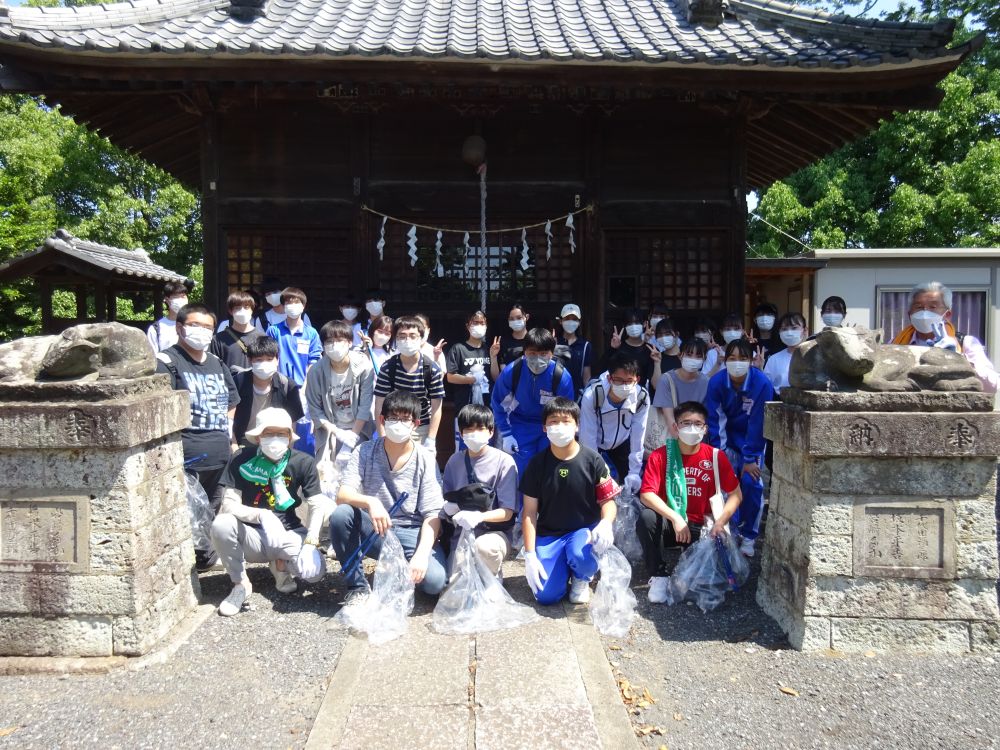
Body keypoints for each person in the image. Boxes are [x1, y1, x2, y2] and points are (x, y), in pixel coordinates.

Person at [330, 390, 447, 601]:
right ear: (382, 420)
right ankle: (357, 588)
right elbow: (343, 494)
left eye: (405, 419)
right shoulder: (364, 451)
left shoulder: (426, 459)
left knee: (434, 583)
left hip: (413, 532)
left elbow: (433, 514)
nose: (398, 424)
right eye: (393, 418)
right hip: (377, 529)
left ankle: (401, 567)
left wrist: (421, 555)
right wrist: (370, 501)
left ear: (415, 423)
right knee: (341, 514)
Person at [211, 407, 328, 615]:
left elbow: (317, 504)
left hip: (289, 532)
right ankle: (240, 584)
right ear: (258, 438)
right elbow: (228, 504)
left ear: (290, 437)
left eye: (281, 433)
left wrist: (311, 542)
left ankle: (280, 565)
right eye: (268, 433)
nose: (275, 439)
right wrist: (261, 515)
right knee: (221, 524)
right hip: (251, 536)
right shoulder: (241, 459)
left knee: (315, 573)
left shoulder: (303, 462)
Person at [156, 303, 239, 569]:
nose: (201, 332)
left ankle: (205, 558)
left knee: (212, 509)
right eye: (195, 325)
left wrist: (229, 434)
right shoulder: (166, 362)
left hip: (219, 451)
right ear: (180, 327)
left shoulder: (217, 363)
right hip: (187, 452)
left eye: (208, 327)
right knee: (186, 512)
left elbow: (232, 399)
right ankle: (185, 565)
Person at [638, 401, 742, 603]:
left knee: (700, 583)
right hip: (671, 524)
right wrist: (676, 517)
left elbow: (736, 494)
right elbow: (646, 495)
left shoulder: (715, 456)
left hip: (702, 526)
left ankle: (688, 566)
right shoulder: (661, 456)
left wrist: (720, 523)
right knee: (646, 517)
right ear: (675, 427)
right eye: (685, 423)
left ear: (705, 428)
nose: (691, 428)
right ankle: (659, 575)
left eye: (697, 423)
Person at [519, 398, 620, 605]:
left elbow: (608, 502)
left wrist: (606, 523)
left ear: (577, 425)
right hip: (550, 535)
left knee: (580, 555)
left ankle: (581, 578)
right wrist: (530, 554)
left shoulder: (593, 460)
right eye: (553, 421)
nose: (559, 426)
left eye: (566, 421)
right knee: (545, 596)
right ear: (544, 428)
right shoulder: (537, 464)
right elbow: (529, 512)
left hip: (582, 533)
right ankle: (561, 567)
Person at [705, 337, 774, 557]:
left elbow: (758, 422)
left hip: (751, 443)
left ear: (752, 360)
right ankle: (729, 531)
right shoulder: (716, 383)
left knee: (751, 484)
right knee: (725, 487)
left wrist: (750, 458)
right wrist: (720, 454)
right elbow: (715, 420)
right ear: (725, 360)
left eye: (743, 358)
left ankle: (749, 536)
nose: (737, 363)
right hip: (726, 443)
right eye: (732, 358)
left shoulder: (762, 384)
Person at [439, 404, 518, 576]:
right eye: (469, 429)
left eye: (480, 428)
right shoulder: (454, 461)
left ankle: (492, 573)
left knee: (485, 549)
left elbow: (507, 512)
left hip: (494, 534)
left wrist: (479, 516)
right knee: (454, 585)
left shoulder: (504, 462)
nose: (474, 433)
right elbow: (446, 503)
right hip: (460, 536)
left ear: (491, 432)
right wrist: (448, 509)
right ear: (460, 433)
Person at [491, 327, 576, 477]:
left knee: (550, 470)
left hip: (551, 427)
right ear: (524, 352)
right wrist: (506, 433)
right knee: (521, 473)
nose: (538, 358)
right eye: (532, 353)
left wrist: (566, 434)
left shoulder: (561, 377)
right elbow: (498, 403)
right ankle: (522, 501)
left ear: (552, 353)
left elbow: (568, 412)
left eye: (544, 354)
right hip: (520, 425)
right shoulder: (512, 372)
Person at [890, 281, 998, 393]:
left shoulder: (966, 343)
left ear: (947, 315)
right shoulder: (894, 343)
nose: (925, 312)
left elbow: (993, 385)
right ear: (909, 314)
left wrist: (959, 359)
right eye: (919, 307)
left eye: (932, 307)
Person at [578, 353, 649, 497]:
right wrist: (598, 473)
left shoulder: (642, 397)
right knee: (597, 488)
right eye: (619, 380)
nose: (624, 385)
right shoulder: (592, 396)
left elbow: (638, 435)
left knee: (629, 489)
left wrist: (634, 472)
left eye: (629, 381)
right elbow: (588, 437)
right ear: (610, 378)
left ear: (637, 380)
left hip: (623, 443)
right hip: (597, 445)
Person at [305, 320, 375, 464]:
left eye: (339, 340)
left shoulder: (364, 367)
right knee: (327, 476)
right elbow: (315, 408)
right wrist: (336, 432)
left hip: (359, 428)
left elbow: (365, 405)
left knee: (360, 472)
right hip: (329, 429)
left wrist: (352, 437)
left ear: (350, 342)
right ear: (323, 345)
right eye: (329, 341)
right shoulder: (316, 371)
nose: (334, 345)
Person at [373, 315, 445, 452]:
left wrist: (431, 440)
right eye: (402, 336)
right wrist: (382, 435)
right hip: (393, 425)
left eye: (413, 336)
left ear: (421, 338)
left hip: (420, 428)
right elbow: (379, 404)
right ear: (396, 339)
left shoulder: (431, 369)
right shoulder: (388, 367)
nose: (407, 340)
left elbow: (436, 407)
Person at [232, 336, 303, 445]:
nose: (264, 364)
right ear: (250, 360)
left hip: (274, 442)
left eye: (269, 359)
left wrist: (288, 449)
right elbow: (228, 418)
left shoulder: (288, 385)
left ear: (277, 360)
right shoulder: (237, 382)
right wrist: (234, 445)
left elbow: (292, 422)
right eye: (259, 360)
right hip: (242, 442)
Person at [446, 311, 493, 449]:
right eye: (475, 322)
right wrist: (472, 380)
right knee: (463, 448)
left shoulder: (489, 349)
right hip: (464, 408)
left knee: (485, 448)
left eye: (482, 323)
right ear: (468, 326)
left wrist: (494, 356)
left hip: (486, 409)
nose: (479, 325)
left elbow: (495, 376)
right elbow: (450, 377)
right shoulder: (458, 349)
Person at [265, 286, 322, 388]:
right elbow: (268, 358)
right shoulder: (273, 331)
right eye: (288, 303)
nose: (292, 306)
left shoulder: (311, 333)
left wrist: (306, 386)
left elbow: (314, 361)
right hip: (278, 386)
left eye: (296, 302)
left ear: (303, 306)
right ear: (283, 306)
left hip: (304, 386)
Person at [652, 338, 710, 434]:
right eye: (689, 355)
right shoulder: (666, 380)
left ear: (704, 359)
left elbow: (705, 417)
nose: (693, 359)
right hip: (672, 436)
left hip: (698, 436)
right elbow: (669, 418)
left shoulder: (707, 382)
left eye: (698, 356)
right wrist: (682, 440)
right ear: (680, 355)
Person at [211, 290, 266, 373]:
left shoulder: (263, 338)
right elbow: (214, 368)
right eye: (237, 308)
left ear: (252, 309)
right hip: (228, 385)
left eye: (246, 307)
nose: (242, 311)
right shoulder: (217, 340)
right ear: (230, 311)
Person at [607, 309, 655, 387]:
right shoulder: (618, 347)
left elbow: (654, 383)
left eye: (636, 322)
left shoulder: (650, 350)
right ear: (624, 326)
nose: (633, 326)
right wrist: (612, 349)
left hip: (641, 395)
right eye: (629, 323)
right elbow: (603, 370)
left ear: (644, 324)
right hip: (620, 392)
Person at [763, 312, 808, 394]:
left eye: (794, 328)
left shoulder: (812, 356)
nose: (789, 332)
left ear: (805, 330)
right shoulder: (773, 359)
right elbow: (766, 387)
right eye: (784, 329)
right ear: (779, 332)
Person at [555, 303, 593, 396]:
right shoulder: (554, 343)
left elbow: (586, 376)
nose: (570, 322)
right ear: (560, 321)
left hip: (577, 396)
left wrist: (587, 395)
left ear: (579, 322)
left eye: (574, 319)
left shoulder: (585, 346)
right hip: (556, 395)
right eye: (567, 319)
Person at [146, 281, 189, 353]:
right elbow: (152, 357)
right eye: (176, 297)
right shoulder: (156, 329)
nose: (181, 300)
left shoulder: (195, 324)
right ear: (167, 300)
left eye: (183, 296)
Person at [490, 303, 530, 381]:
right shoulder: (501, 343)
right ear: (508, 320)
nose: (515, 321)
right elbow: (496, 378)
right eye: (512, 319)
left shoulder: (534, 340)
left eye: (519, 318)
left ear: (527, 317)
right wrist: (493, 357)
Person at [648, 317, 681, 391]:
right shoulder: (655, 357)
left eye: (667, 333)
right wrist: (657, 363)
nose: (663, 337)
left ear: (677, 334)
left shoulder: (686, 357)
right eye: (660, 335)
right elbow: (656, 386)